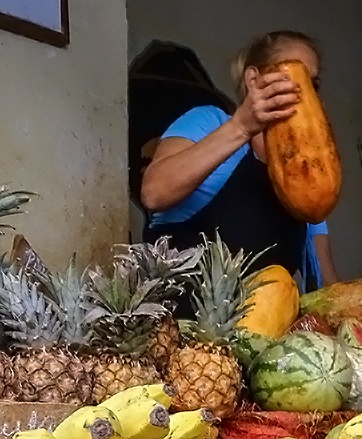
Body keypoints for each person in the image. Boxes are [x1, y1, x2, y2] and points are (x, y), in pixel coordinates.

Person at [140, 30, 335, 281]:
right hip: (182, 317)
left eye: (313, 85)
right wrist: (241, 127)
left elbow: (325, 277)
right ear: (253, 80)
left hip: (266, 317)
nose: (304, 93)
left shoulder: (307, 173)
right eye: (291, 78)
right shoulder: (208, 122)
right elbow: (153, 193)